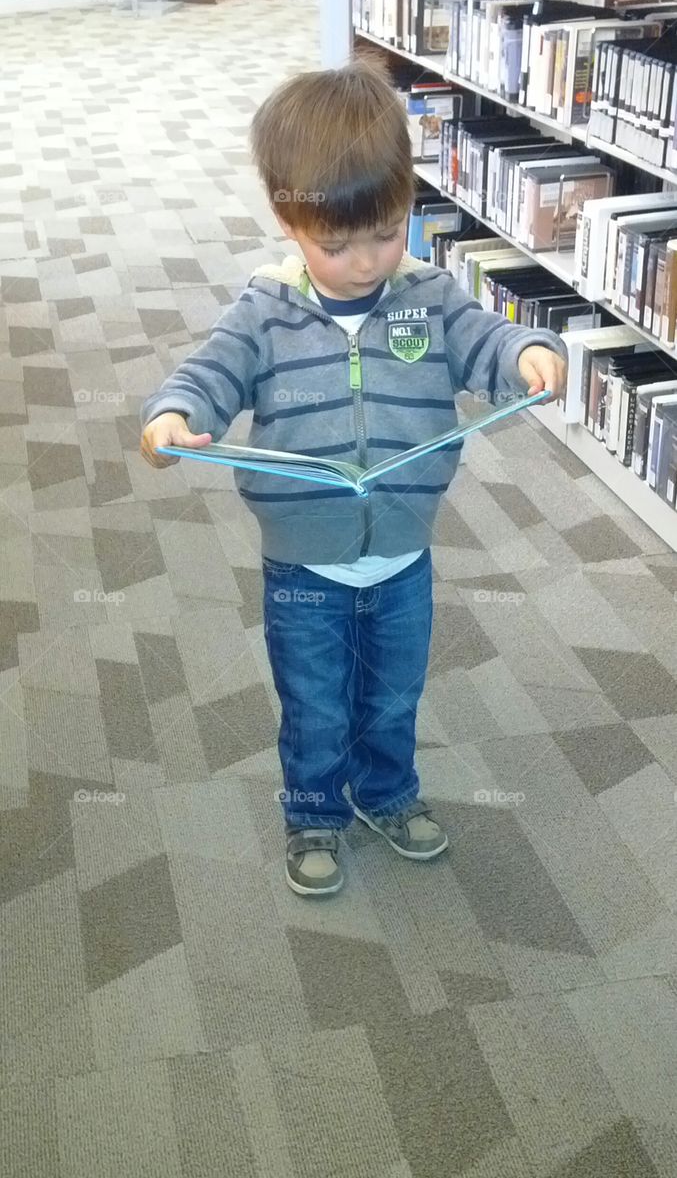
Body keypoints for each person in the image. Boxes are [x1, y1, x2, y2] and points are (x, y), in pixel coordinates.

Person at [139, 58, 568, 898]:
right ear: (287, 220)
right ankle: (312, 812)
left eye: (384, 231)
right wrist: (171, 417)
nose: (366, 260)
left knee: (391, 696)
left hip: (403, 557)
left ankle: (385, 794)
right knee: (315, 706)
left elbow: (486, 340)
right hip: (303, 567)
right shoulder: (264, 312)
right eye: (335, 245)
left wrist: (528, 352)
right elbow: (208, 375)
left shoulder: (430, 297)